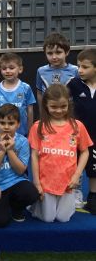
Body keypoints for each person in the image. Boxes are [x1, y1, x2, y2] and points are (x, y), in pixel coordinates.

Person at [28, 84, 92, 223]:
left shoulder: (77, 126)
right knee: (48, 218)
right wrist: (37, 183)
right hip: (46, 183)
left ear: (69, 104)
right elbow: (34, 155)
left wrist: (76, 175)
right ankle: (34, 206)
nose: (59, 110)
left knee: (63, 218)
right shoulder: (38, 126)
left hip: (67, 183)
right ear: (46, 105)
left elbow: (85, 152)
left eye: (63, 106)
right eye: (54, 107)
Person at [0, 104, 39, 227]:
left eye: (11, 123)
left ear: (18, 124)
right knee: (0, 222)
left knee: (32, 193)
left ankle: (17, 208)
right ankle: (3, 205)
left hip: (16, 182)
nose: (6, 127)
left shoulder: (23, 141)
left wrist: (10, 150)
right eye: (2, 123)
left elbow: (20, 170)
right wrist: (2, 151)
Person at [67, 48, 96, 214]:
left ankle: (93, 197)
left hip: (95, 136)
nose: (80, 70)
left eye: (85, 67)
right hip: (76, 136)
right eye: (78, 66)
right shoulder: (74, 84)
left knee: (94, 169)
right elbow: (61, 99)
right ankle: (73, 194)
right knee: (73, 165)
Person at [0, 52, 36, 136]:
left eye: (11, 68)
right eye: (4, 68)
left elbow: (30, 110)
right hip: (2, 133)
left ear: (20, 69)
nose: (7, 71)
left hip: (22, 133)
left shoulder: (26, 88)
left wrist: (30, 130)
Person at [36, 32, 78, 105]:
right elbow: (39, 93)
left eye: (58, 52)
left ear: (67, 52)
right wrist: (41, 110)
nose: (54, 57)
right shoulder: (41, 71)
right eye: (50, 53)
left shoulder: (75, 70)